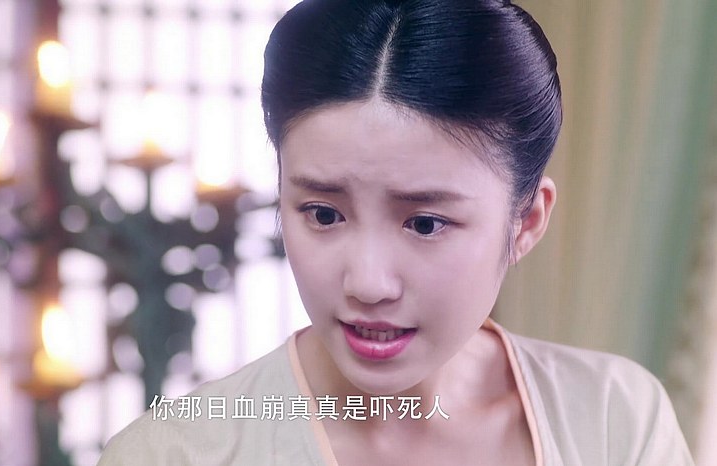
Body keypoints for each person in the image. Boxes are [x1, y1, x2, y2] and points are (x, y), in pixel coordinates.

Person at [98, 0, 693, 464]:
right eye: (323, 214)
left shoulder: (614, 418)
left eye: (425, 223)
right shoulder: (172, 453)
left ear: (526, 221)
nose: (368, 283)